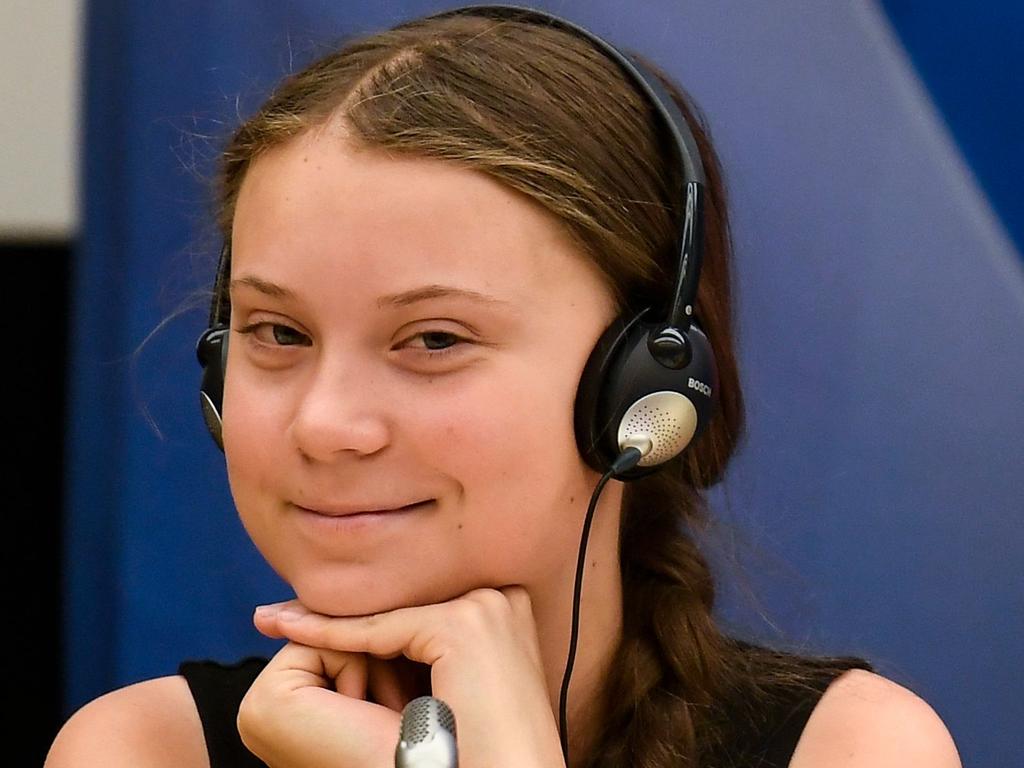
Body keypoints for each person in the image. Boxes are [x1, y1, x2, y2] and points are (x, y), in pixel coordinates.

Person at [47, 6, 962, 768]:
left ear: (641, 384)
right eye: (278, 333)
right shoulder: (141, 749)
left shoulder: (854, 747)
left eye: (435, 339)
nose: (325, 426)